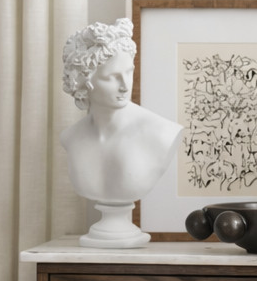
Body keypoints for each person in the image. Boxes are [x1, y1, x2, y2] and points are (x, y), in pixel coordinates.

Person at [61, 18, 182, 246]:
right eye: (111, 77)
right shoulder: (71, 138)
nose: (125, 85)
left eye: (129, 72)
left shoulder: (161, 134)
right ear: (83, 82)